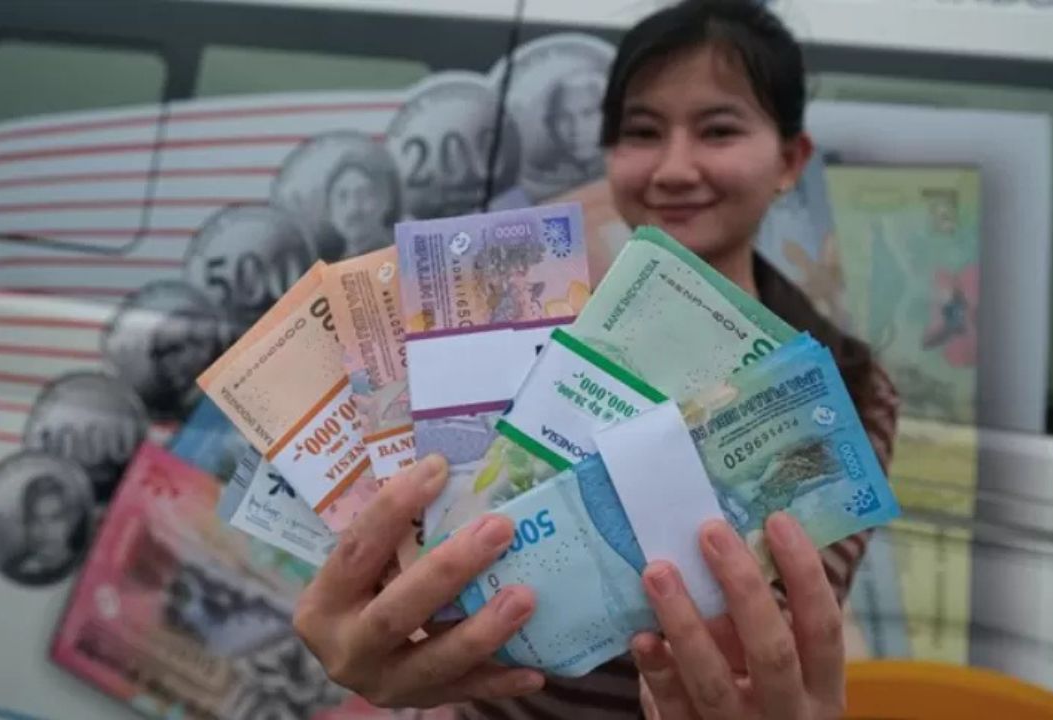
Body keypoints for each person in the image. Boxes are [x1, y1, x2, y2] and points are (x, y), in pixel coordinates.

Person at [293, 2, 899, 718]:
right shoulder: (518, 336)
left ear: (790, 160)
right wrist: (383, 636)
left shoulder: (851, 391)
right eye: (642, 131)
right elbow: (427, 565)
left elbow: (787, 629)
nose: (674, 168)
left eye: (718, 129)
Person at [2, 473, 87, 583]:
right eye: (36, 520)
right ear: (26, 524)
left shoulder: (86, 564)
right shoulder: (13, 570)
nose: (45, 530)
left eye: (55, 518)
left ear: (70, 521)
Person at [317, 159, 399, 261]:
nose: (353, 208)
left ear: (384, 202)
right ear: (329, 212)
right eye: (342, 197)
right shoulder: (330, 266)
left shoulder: (406, 257)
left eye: (363, 194)